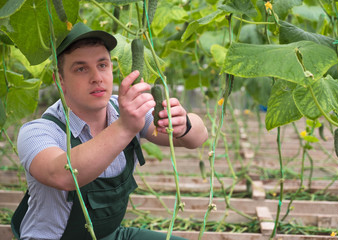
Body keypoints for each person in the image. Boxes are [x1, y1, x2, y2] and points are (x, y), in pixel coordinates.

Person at [11, 22, 208, 240]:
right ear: (60, 80)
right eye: (81, 68)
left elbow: (198, 137)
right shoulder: (38, 132)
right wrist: (125, 127)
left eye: (102, 65)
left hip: (111, 236)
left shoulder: (123, 109)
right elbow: (63, 174)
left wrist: (184, 124)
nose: (97, 77)